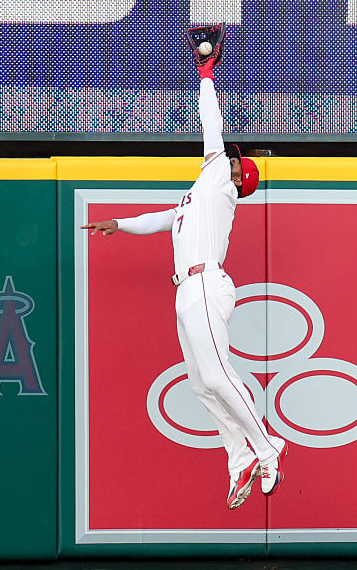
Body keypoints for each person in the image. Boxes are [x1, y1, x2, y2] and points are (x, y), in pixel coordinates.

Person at [81, 29, 287, 510]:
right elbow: (162, 219)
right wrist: (120, 224)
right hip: (186, 290)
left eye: (237, 165)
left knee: (217, 375)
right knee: (200, 382)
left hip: (207, 284)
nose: (229, 159)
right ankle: (240, 459)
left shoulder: (222, 183)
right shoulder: (198, 194)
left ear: (239, 179)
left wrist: (207, 72)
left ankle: (267, 445)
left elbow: (210, 124)